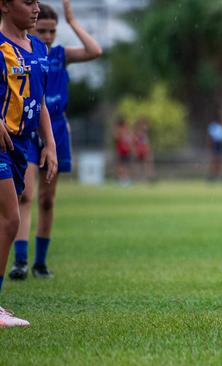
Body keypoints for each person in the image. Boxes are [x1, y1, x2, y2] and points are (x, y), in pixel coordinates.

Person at [8, 0, 102, 280]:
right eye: (43, 31)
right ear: (32, 27)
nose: (48, 37)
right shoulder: (21, 51)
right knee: (25, 194)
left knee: (47, 200)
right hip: (27, 126)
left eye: (52, 31)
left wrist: (72, 22)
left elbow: (95, 51)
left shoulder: (59, 54)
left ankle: (40, 262)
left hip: (56, 128)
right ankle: (20, 261)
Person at [0, 0, 57, 327]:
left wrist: (48, 142)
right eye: (27, 1)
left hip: (23, 145)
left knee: (6, 221)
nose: (35, 8)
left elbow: (39, 101)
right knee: (10, 220)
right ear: (5, 6)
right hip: (2, 144)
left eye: (37, 1)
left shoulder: (38, 47)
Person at [134, 118, 154, 182]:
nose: (147, 127)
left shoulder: (145, 133)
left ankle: (148, 178)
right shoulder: (138, 133)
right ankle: (139, 179)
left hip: (145, 150)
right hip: (141, 151)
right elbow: (136, 141)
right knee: (140, 165)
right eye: (145, 125)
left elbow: (147, 143)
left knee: (147, 164)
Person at [113, 117, 132, 186]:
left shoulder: (127, 131)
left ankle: (125, 179)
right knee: (120, 166)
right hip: (121, 151)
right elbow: (116, 139)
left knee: (125, 166)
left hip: (126, 151)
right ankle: (121, 179)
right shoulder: (119, 130)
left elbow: (130, 140)